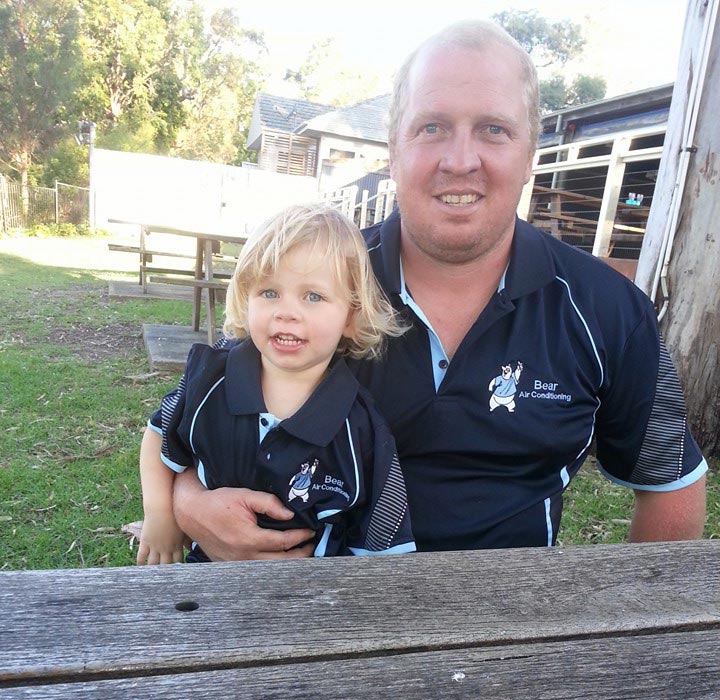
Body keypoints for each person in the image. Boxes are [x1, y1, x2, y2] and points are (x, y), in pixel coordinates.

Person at [171, 19, 707, 560]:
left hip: (506, 624)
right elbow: (195, 410)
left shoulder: (608, 311)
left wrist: (627, 628)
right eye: (432, 127)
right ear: (393, 148)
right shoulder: (312, 278)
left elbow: (670, 483)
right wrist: (188, 505)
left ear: (530, 153)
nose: (459, 160)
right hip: (308, 614)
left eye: (494, 129)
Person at [137, 203, 414, 563]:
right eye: (269, 293)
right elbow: (159, 436)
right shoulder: (210, 379)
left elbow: (383, 529)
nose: (287, 311)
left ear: (351, 315)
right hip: (204, 584)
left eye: (313, 296)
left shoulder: (359, 427)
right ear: (245, 296)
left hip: (310, 601)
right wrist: (161, 516)